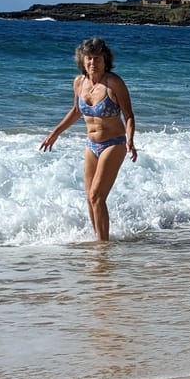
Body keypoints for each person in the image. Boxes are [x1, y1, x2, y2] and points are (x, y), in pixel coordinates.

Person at [40, 37, 137, 241]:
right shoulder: (79, 82)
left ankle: (103, 247)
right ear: (82, 61)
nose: (93, 63)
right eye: (89, 58)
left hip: (114, 143)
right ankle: (99, 240)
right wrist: (55, 133)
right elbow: (76, 111)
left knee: (97, 196)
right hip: (91, 145)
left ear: (105, 60)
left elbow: (128, 115)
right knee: (89, 198)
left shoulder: (114, 83)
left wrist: (130, 140)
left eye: (98, 58)